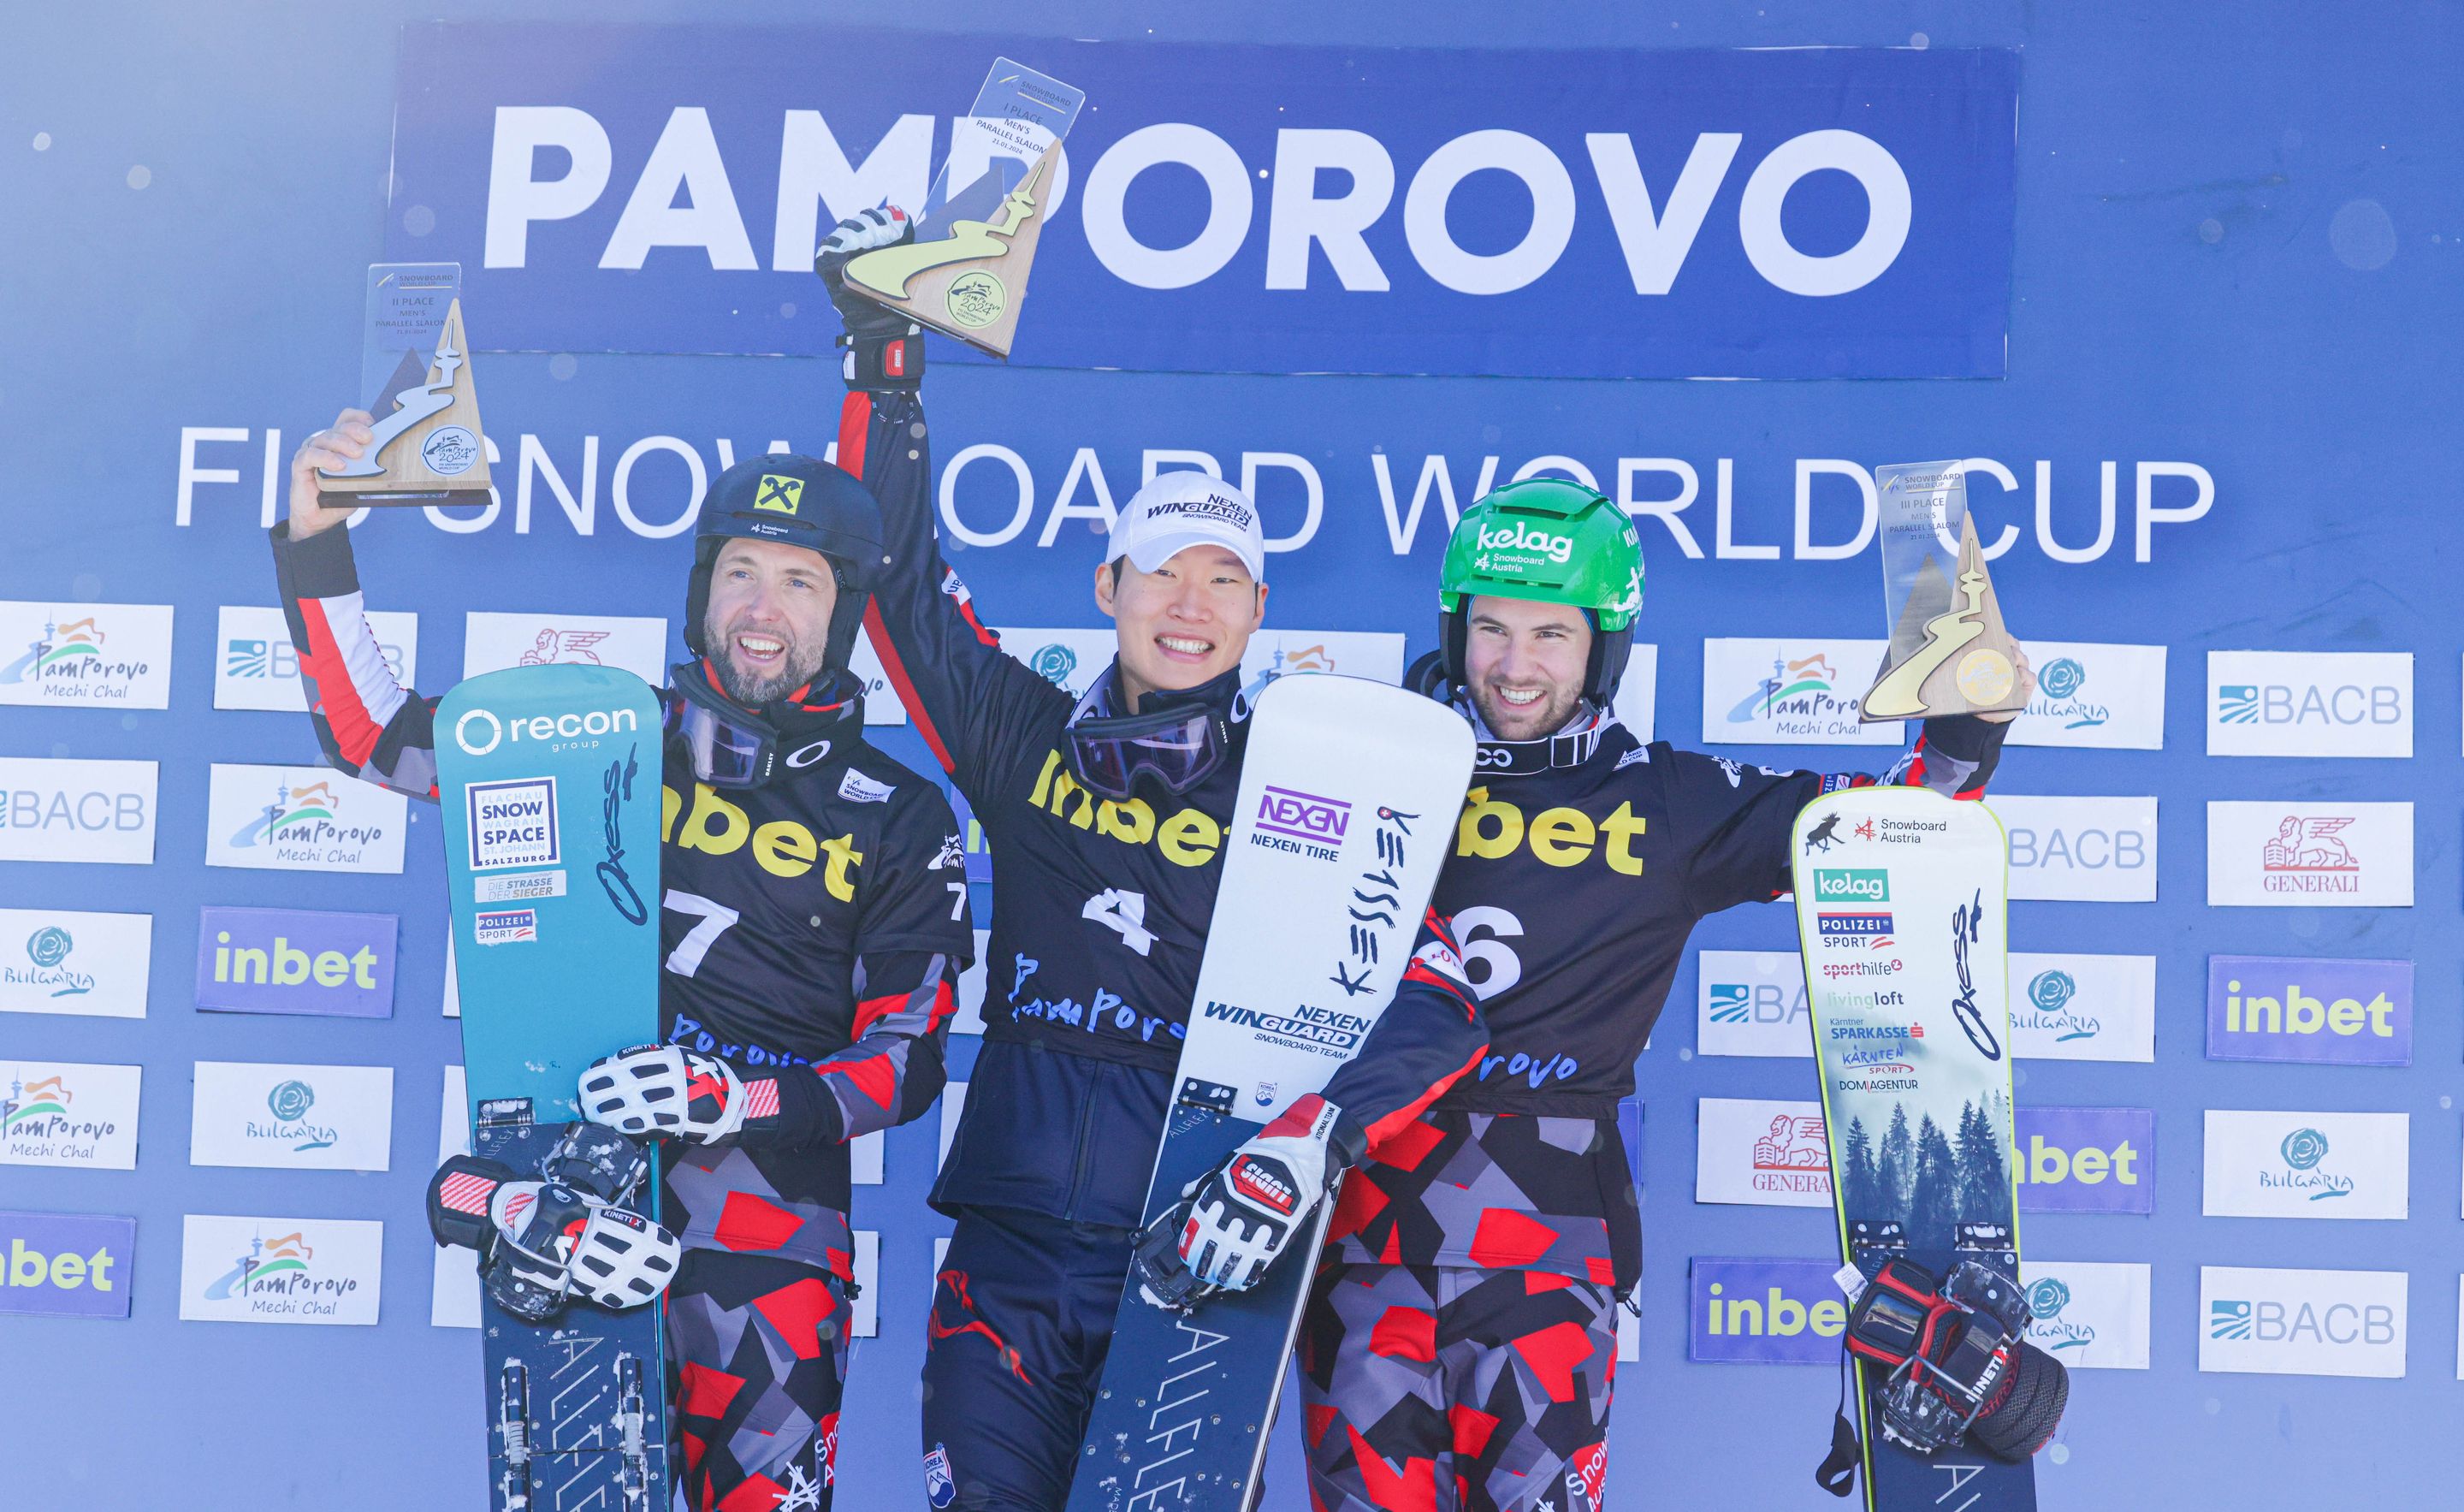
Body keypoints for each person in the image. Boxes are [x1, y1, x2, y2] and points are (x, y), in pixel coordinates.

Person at [815, 208, 1490, 1510]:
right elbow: (896, 585)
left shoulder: (1319, 779)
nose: (1190, 605)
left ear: (1259, 611)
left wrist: (1312, 1137)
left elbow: (1443, 996)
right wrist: (882, 354)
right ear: (1107, 583)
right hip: (1009, 1255)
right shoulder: (1023, 738)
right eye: (1162, 573)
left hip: (1202, 1249)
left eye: (1224, 580)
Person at [271, 418, 974, 1510]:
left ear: (842, 612)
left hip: (769, 1241)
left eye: (798, 581)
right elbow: (372, 734)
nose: (760, 607)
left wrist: (728, 1094)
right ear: (703, 587)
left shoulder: (898, 813)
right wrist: (315, 545)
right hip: (578, 1199)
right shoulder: (600, 732)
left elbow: (907, 1062)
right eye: (739, 571)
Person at [1295, 479, 2033, 1512]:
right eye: (1492, 629)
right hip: (1358, 1249)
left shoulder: (1669, 801)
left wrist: (1967, 720)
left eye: (1553, 633)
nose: (1515, 665)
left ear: (1606, 645)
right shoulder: (1361, 778)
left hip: (1544, 1260)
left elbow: (1900, 825)